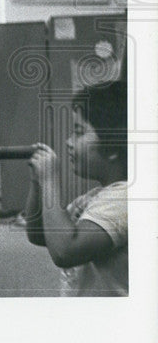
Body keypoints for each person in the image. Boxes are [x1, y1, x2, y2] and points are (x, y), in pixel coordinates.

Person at [23, 80, 128, 296]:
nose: (69, 142)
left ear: (112, 147)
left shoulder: (125, 199)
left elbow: (65, 252)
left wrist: (50, 181)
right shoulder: (95, 197)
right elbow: (38, 234)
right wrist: (38, 182)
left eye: (79, 132)